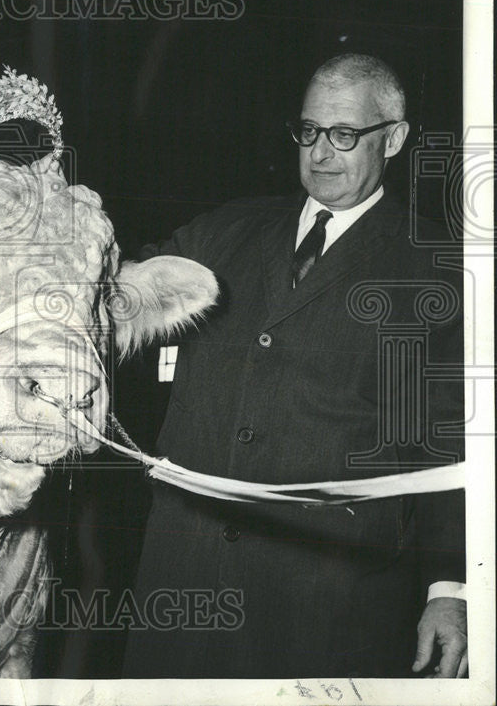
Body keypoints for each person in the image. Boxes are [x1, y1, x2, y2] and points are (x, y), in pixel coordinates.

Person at [122, 53, 467, 679]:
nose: (321, 153)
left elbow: (448, 443)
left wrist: (449, 589)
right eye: (309, 132)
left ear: (393, 138)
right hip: (184, 583)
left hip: (327, 603)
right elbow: (110, 293)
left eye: (344, 134)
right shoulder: (223, 232)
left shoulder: (438, 267)